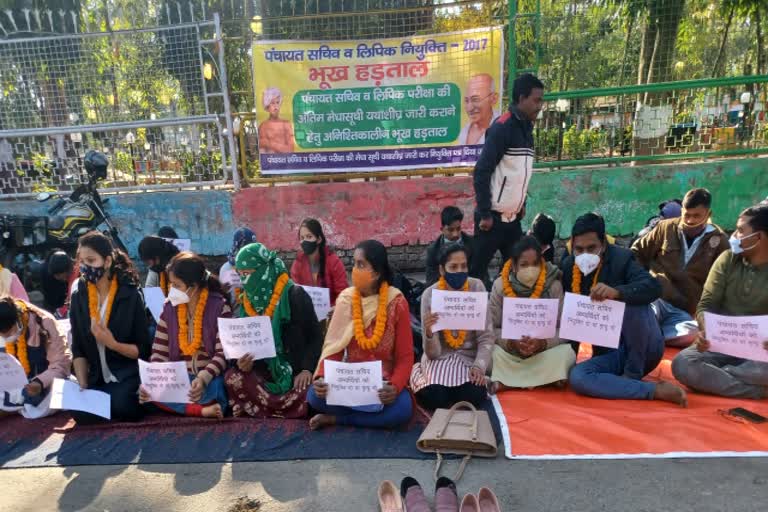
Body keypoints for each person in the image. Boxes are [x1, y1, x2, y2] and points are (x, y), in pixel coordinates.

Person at [563, 213, 687, 405]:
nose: (584, 254)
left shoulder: (623, 258)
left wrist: (617, 292)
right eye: (579, 249)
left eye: (591, 248)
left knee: (634, 302)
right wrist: (565, 368)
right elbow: (572, 321)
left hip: (644, 348)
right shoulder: (569, 266)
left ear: (603, 244)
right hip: (610, 353)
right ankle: (652, 390)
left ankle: (632, 376)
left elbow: (653, 287)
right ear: (572, 245)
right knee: (578, 377)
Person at [309, 240, 414, 430]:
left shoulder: (397, 302)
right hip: (351, 382)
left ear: (377, 272)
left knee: (403, 409)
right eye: (355, 264)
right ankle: (367, 418)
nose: (354, 270)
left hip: (382, 384)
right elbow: (334, 349)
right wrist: (322, 378)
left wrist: (395, 386)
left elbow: (405, 357)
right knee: (313, 396)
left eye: (361, 265)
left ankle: (337, 420)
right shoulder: (346, 300)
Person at [672, 204, 768, 399]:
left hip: (762, 354)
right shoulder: (727, 259)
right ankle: (756, 390)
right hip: (720, 345)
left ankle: (719, 378)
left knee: (760, 370)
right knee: (683, 363)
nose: (734, 235)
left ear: (758, 237)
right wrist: (706, 330)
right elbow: (706, 304)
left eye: (741, 230)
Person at [224, 243, 323, 418]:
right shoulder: (246, 303)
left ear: (264, 270)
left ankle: (261, 407)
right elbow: (245, 346)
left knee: (314, 391)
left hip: (296, 371)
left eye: (248, 274)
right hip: (266, 372)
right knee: (233, 378)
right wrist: (243, 363)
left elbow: (316, 338)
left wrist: (307, 369)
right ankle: (278, 408)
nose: (245, 280)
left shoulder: (295, 295)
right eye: (241, 275)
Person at [69, 231, 152, 423]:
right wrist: (82, 386)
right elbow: (78, 349)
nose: (85, 267)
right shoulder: (78, 296)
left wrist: (112, 344)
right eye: (81, 262)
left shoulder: (129, 295)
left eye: (91, 261)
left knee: (122, 404)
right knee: (78, 412)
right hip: (96, 377)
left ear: (107, 262)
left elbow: (142, 350)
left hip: (125, 374)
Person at [471, 73, 544, 286]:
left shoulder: (527, 130)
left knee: (517, 272)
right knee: (476, 272)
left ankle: (511, 316)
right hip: (491, 220)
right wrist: (484, 213)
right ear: (521, 98)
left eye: (541, 101)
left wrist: (522, 204)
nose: (540, 106)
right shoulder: (502, 127)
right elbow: (482, 171)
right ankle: (472, 315)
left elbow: (519, 174)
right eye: (536, 100)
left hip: (513, 221)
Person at [632, 188, 729, 347]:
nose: (690, 221)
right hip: (655, 298)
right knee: (640, 314)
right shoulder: (665, 227)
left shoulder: (720, 240)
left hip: (683, 312)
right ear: (682, 210)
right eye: (687, 215)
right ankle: (649, 331)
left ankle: (651, 335)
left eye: (696, 215)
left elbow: (724, 282)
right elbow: (636, 253)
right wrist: (640, 283)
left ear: (708, 214)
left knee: (696, 335)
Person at [140, 253, 231, 418]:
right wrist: (154, 381)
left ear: (194, 286)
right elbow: (159, 353)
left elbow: (222, 354)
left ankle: (199, 406)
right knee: (148, 391)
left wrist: (203, 379)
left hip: (209, 379)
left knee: (219, 389)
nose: (172, 290)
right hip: (180, 380)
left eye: (177, 285)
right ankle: (202, 411)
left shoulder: (219, 307)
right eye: (171, 284)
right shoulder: (169, 309)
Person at [411, 244, 493, 410]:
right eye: (453, 267)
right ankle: (418, 371)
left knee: (474, 396)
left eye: (463, 266)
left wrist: (479, 366)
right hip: (440, 360)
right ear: (442, 270)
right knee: (434, 398)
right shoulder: (430, 295)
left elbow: (486, 337)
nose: (459, 271)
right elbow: (433, 354)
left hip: (469, 360)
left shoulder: (477, 287)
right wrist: (429, 332)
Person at [489, 236, 575, 390]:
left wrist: (542, 343)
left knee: (567, 354)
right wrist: (510, 342)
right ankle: (545, 379)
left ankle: (506, 381)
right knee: (488, 353)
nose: (530, 269)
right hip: (510, 354)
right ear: (514, 266)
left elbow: (564, 330)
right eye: (524, 264)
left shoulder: (554, 285)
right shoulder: (500, 286)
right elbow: (490, 328)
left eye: (535, 264)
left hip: (543, 353)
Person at [0, 297, 71, 419]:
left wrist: (39, 383)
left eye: (7, 333)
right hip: (16, 385)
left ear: (17, 321)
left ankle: (12, 408)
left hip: (43, 383)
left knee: (58, 394)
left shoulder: (45, 323)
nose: (5, 338)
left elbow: (61, 364)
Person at [290, 218, 349, 307]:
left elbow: (343, 294)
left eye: (309, 237)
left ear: (319, 239)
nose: (304, 241)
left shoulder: (333, 262)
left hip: (332, 313)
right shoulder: (298, 263)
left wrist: (333, 308)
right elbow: (295, 293)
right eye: (302, 238)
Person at [424, 206, 474, 287]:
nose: (455, 234)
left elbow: (480, 274)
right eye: (450, 230)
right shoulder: (433, 250)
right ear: (442, 229)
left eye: (458, 229)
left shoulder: (472, 244)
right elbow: (431, 281)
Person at [218, 227, 257, 307]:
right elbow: (223, 297)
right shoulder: (226, 269)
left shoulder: (259, 266)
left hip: (258, 316)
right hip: (234, 316)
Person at [458, 73, 500, 145]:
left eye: (475, 100)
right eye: (466, 101)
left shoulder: (503, 126)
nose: (470, 108)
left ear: (493, 99)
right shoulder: (464, 132)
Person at [258, 87, 295, 153]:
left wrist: (269, 143)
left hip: (286, 161)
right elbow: (263, 153)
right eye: (272, 103)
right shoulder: (263, 126)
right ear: (267, 106)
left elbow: (290, 150)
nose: (276, 106)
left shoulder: (286, 124)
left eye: (277, 102)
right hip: (271, 161)